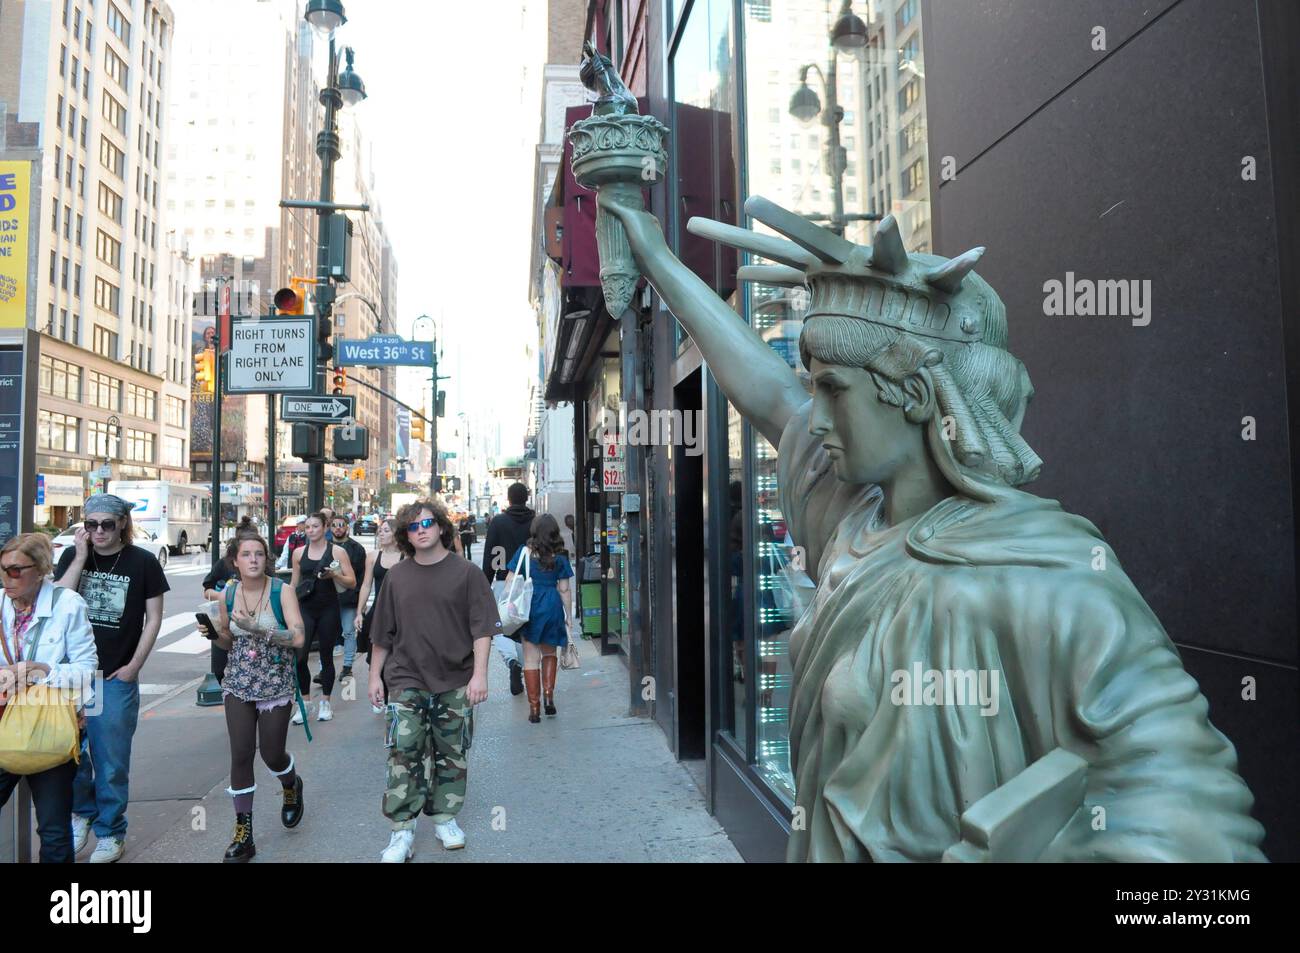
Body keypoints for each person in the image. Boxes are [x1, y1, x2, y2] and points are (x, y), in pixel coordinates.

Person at [368, 498, 497, 861]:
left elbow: (482, 630)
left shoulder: (467, 573)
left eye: (426, 523)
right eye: (412, 527)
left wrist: (480, 676)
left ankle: (445, 818)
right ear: (405, 535)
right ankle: (401, 832)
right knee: (403, 751)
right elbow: (383, 634)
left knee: (451, 753)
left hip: (456, 679)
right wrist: (374, 677)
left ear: (441, 527)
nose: (421, 530)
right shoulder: (396, 576)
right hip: (405, 679)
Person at [54, 493, 169, 864]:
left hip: (115, 674)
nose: (99, 531)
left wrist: (135, 665)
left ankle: (110, 831)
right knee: (67, 754)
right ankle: (81, 815)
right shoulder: (74, 558)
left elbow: (153, 618)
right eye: (91, 524)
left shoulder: (144, 562)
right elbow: (58, 605)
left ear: (122, 523)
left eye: (106, 523)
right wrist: (82, 557)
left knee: (111, 760)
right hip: (72, 675)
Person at [0, 534, 98, 863]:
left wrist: (41, 670)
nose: (7, 578)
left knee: (54, 829)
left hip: (51, 728)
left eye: (15, 570)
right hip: (4, 723)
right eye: (2, 570)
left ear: (41, 569)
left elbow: (86, 670)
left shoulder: (67, 604)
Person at [211, 534, 307, 862]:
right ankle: (244, 834)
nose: (253, 559)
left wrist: (258, 628)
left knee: (271, 754)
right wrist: (214, 633)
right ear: (235, 561)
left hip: (275, 683)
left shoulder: (283, 591)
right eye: (246, 554)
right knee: (240, 754)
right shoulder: (228, 593)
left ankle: (291, 784)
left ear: (267, 559)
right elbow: (226, 642)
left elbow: (297, 638)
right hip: (238, 682)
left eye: (259, 554)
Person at [502, 514, 574, 724]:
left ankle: (534, 709)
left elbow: (509, 581)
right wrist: (568, 616)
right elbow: (564, 589)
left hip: (529, 607)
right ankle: (549, 696)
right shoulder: (560, 556)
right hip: (551, 606)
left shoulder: (524, 552)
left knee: (531, 658)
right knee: (549, 652)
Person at [289, 513, 356, 724]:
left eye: (315, 526)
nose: (310, 530)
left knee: (326, 656)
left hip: (329, 608)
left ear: (324, 527)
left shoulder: (337, 551)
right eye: (307, 527)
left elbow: (352, 582)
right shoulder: (299, 553)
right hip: (305, 609)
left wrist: (334, 575)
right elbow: (293, 584)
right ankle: (305, 703)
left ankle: (325, 702)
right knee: (300, 656)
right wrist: (286, 608)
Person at [481, 482, 535, 697]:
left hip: (505, 582)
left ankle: (511, 661)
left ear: (509, 499)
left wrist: (487, 582)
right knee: (526, 626)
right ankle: (523, 665)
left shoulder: (499, 523)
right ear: (526, 497)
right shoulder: (535, 521)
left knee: (500, 625)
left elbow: (491, 555)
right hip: (531, 583)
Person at [355, 518, 404, 713]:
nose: (381, 533)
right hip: (378, 610)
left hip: (401, 610)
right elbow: (366, 585)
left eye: (385, 530)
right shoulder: (373, 556)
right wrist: (359, 612)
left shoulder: (406, 556)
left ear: (395, 534)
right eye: (380, 531)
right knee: (375, 653)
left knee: (397, 653)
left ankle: (395, 693)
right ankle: (379, 692)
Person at [329, 514, 367, 683]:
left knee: (349, 632)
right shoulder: (323, 547)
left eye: (341, 525)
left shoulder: (356, 548)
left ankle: (347, 667)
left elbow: (362, 577)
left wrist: (360, 602)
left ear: (347, 527)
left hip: (349, 598)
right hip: (327, 598)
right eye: (334, 525)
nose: (338, 528)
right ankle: (325, 668)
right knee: (326, 633)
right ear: (329, 528)